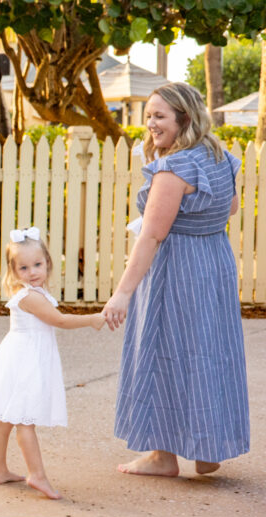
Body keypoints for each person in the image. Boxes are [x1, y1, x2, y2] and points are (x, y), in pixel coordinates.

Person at [103, 82, 249, 476]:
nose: (150, 123)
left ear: (184, 118)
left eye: (159, 116)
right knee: (208, 352)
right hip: (213, 262)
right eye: (149, 115)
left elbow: (152, 235)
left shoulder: (173, 168)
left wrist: (122, 293)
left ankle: (161, 456)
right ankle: (207, 448)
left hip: (176, 269)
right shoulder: (221, 157)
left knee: (162, 353)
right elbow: (231, 207)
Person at [0, 228, 105, 499]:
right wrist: (91, 318)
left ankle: (0, 471)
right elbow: (59, 320)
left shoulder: (33, 291)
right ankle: (37, 475)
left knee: (7, 418)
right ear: (13, 271)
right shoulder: (30, 296)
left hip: (21, 356)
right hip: (25, 361)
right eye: (23, 267)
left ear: (47, 262)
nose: (32, 271)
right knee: (24, 420)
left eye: (37, 264)